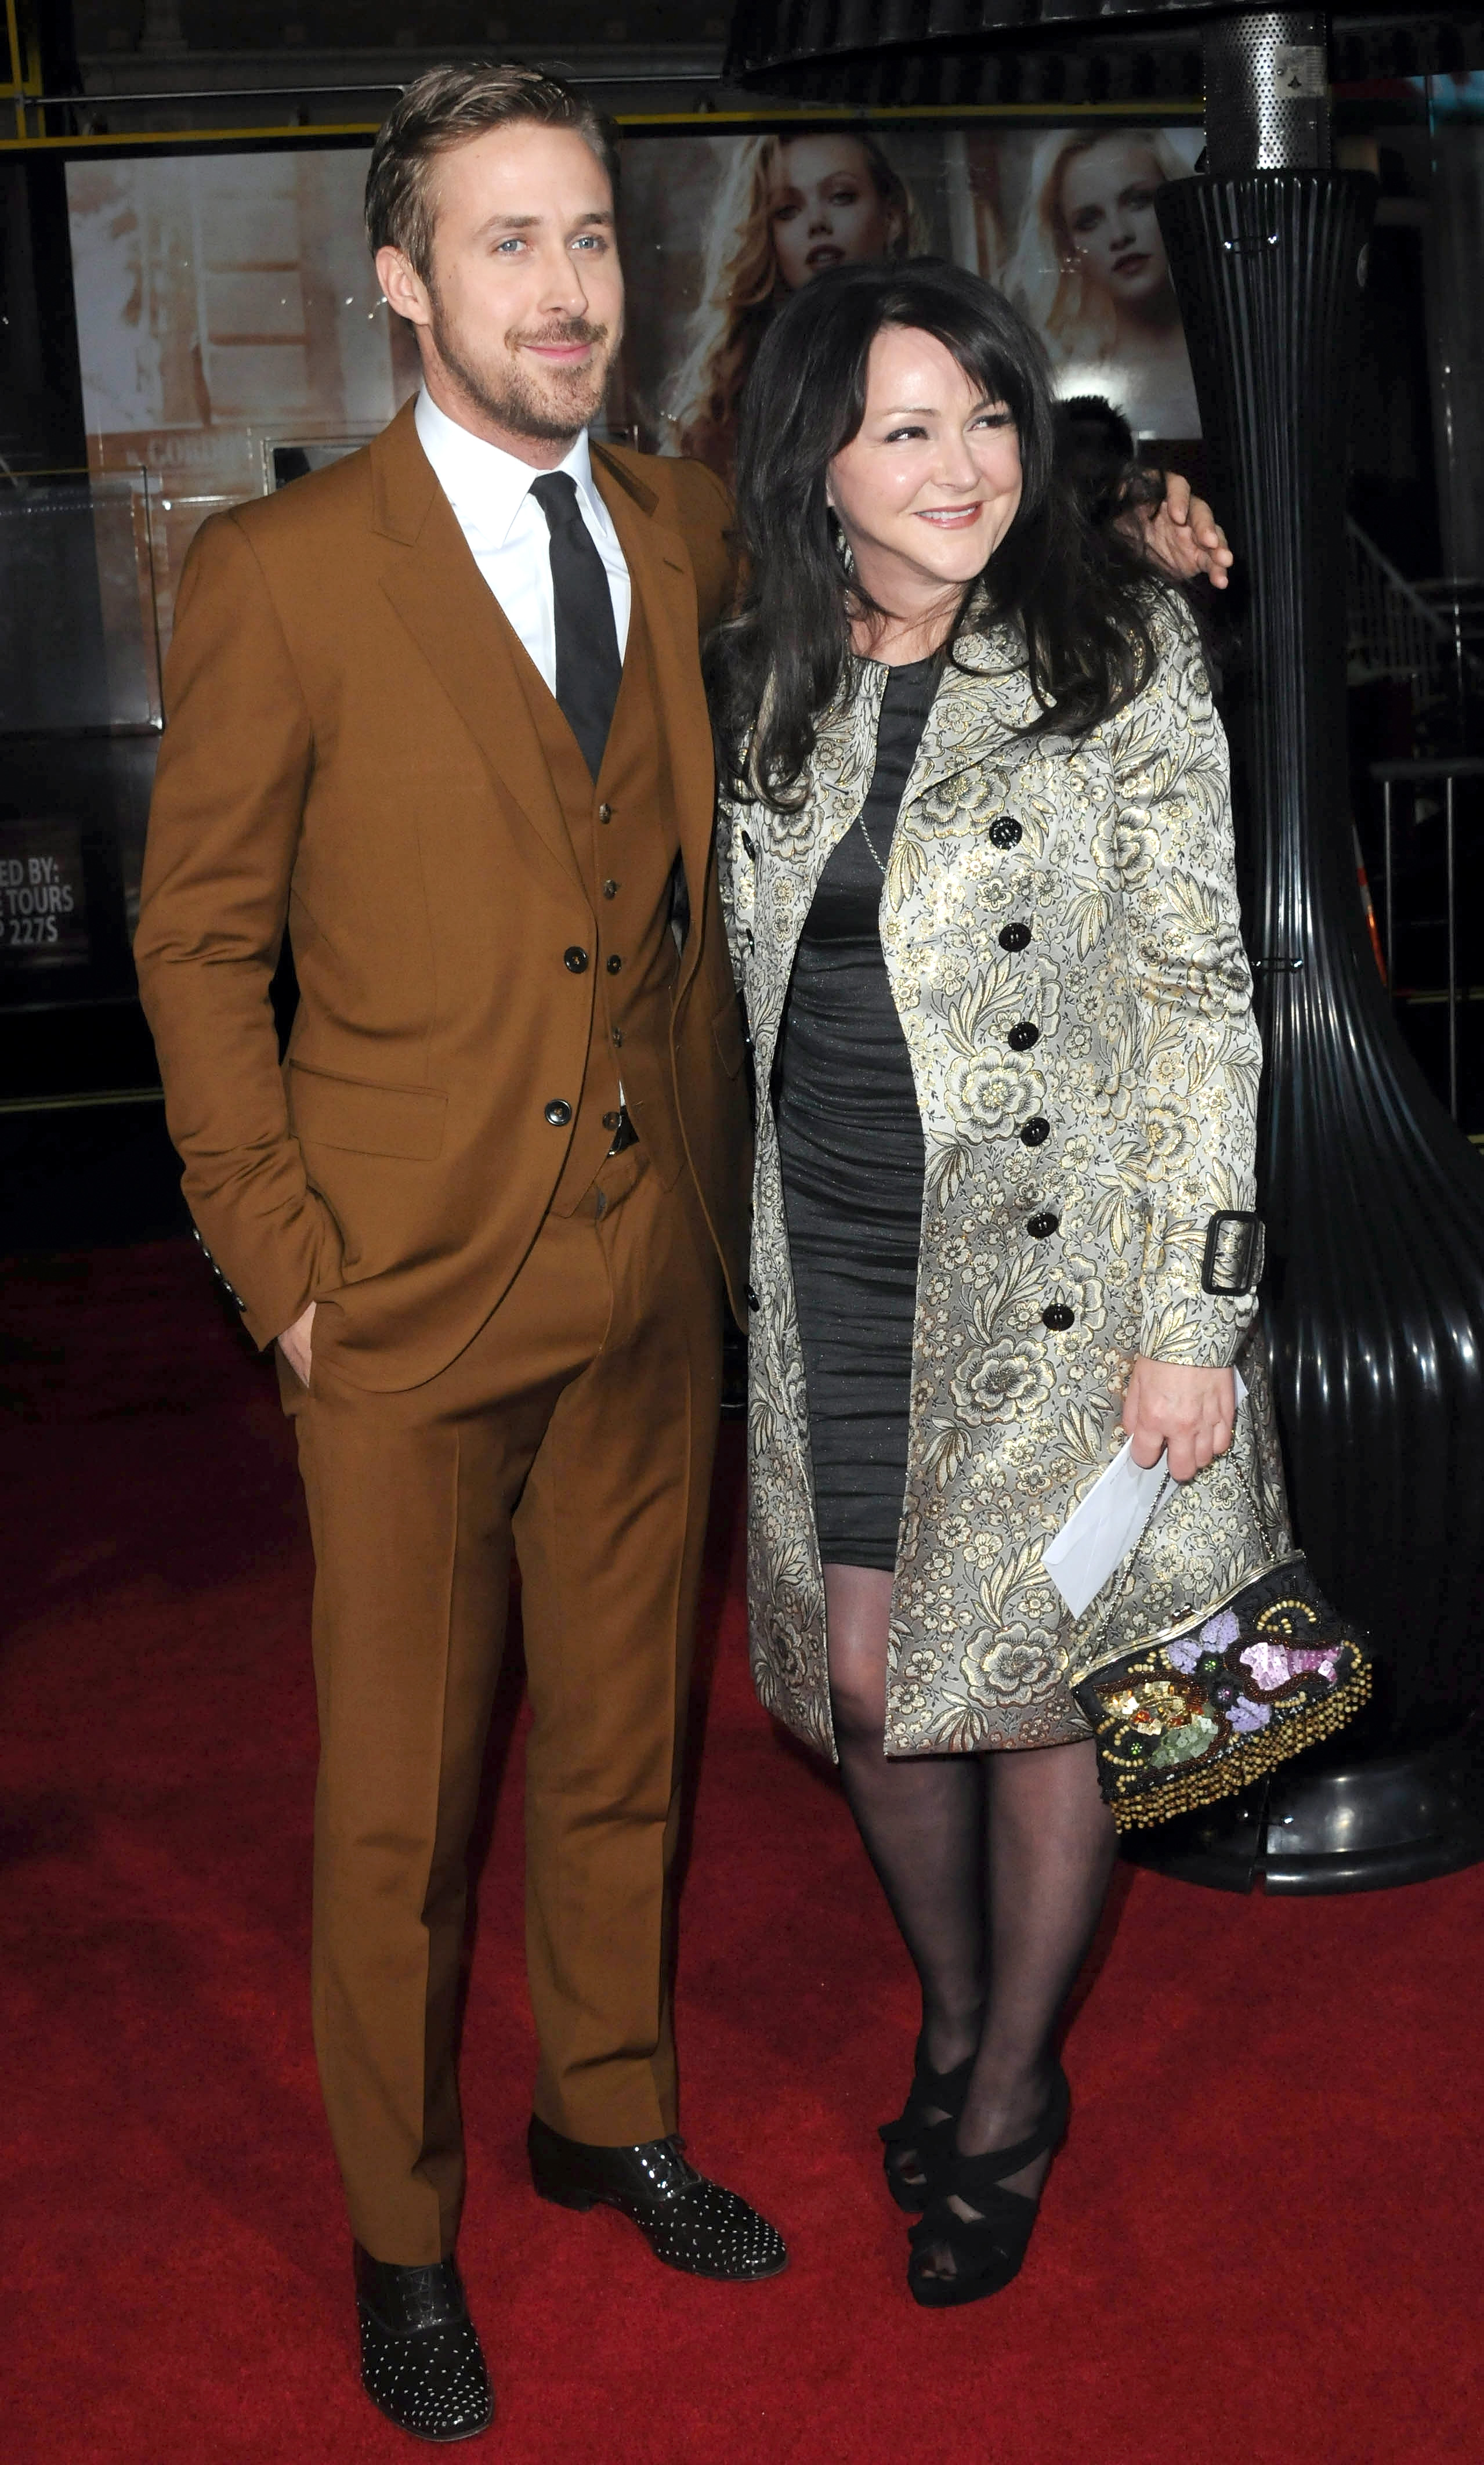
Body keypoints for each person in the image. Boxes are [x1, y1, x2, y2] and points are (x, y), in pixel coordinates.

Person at [134, 63, 790, 2446]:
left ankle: (598, 2109)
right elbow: (196, 944)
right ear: (403, 281)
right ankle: (404, 2231)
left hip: (652, 1272)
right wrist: (276, 1264)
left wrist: (1133, 500)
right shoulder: (282, 577)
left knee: (628, 1747)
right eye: (507, 244)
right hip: (399, 1302)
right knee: (396, 1809)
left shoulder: (693, 524)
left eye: (592, 239)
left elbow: (927, 542)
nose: (567, 290)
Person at [711, 258, 1261, 2308]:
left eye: (991, 418)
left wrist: (1191, 1318)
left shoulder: (1111, 644)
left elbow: (1203, 994)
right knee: (867, 1679)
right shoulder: (761, 660)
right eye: (904, 426)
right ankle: (947, 2007)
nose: (963, 467)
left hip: (1064, 1266)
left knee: (1036, 1683)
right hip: (835, 1247)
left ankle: (1006, 2083)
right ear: (813, 464)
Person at [664, 130, 924, 479]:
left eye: (841, 196)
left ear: (890, 217)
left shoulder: (939, 348)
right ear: (767, 233)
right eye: (787, 210)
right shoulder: (734, 390)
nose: (817, 222)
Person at [1004, 129, 1200, 441]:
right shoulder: (1055, 375)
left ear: (1180, 207)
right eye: (1089, 221)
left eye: (1138, 201)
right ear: (1067, 246)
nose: (1120, 235)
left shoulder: (1242, 349)